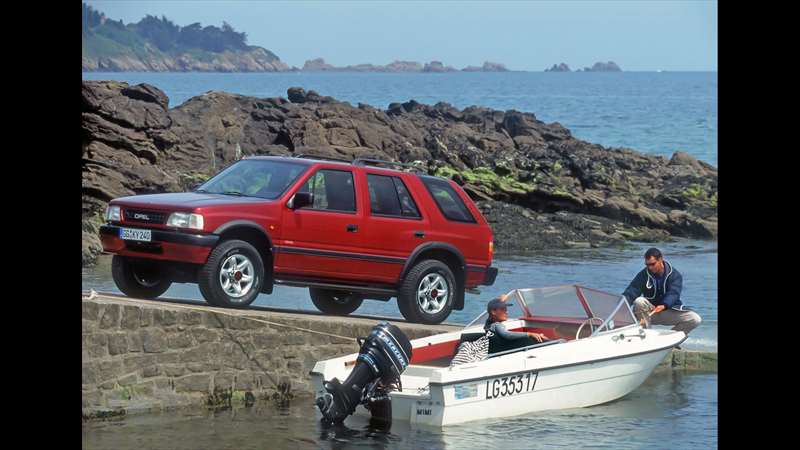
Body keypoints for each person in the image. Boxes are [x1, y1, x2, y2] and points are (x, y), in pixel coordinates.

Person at [622, 248, 702, 338]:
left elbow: (674, 293)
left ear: (660, 260)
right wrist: (619, 307)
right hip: (649, 313)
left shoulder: (675, 275)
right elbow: (631, 292)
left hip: (668, 311)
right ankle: (645, 336)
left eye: (652, 264)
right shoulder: (643, 275)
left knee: (695, 319)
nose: (650, 267)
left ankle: (669, 338)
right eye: (647, 265)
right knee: (639, 301)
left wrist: (664, 305)